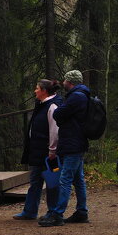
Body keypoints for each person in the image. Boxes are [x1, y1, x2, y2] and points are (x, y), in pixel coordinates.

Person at [39, 69, 91, 226]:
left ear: (71, 82)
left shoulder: (76, 97)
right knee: (78, 179)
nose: (63, 83)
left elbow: (59, 114)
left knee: (65, 179)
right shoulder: (83, 95)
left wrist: (62, 112)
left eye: (66, 81)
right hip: (76, 141)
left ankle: (57, 213)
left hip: (72, 142)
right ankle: (82, 211)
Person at [14, 79, 63, 220]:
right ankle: (30, 211)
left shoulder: (52, 106)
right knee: (35, 181)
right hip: (37, 150)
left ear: (44, 91)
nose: (35, 91)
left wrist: (52, 150)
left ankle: (53, 211)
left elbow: (55, 130)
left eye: (37, 88)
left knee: (52, 182)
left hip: (48, 153)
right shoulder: (41, 104)